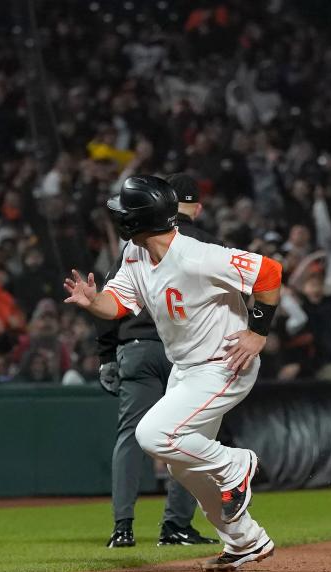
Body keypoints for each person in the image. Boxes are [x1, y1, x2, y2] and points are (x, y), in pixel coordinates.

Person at [64, 175, 282, 571]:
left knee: (153, 435)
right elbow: (119, 304)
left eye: (125, 209)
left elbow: (268, 273)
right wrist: (94, 301)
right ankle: (245, 541)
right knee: (183, 464)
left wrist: (256, 333)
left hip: (226, 363)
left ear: (136, 219)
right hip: (187, 369)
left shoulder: (198, 255)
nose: (118, 214)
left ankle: (237, 465)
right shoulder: (135, 251)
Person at [95, 173, 221, 548]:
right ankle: (176, 526)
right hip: (188, 353)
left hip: (136, 347)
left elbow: (108, 299)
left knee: (131, 436)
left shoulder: (135, 244)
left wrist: (106, 356)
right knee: (188, 436)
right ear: (196, 207)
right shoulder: (206, 245)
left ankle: (123, 527)